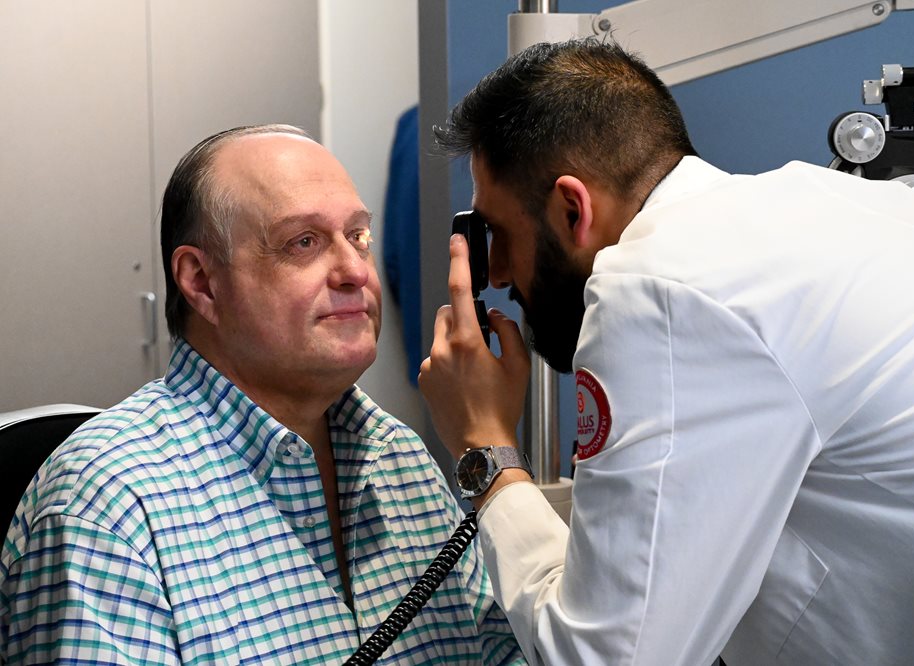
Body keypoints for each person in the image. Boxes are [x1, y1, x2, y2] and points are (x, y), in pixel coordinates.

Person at [418, 39, 914, 665]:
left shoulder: (659, 287)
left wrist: (485, 448)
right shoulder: (860, 205)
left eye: (497, 234)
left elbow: (605, 658)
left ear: (570, 207)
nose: (496, 273)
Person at [0, 125, 524, 665]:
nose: (353, 271)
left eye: (359, 236)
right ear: (201, 281)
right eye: (304, 242)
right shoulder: (108, 506)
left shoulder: (401, 457)